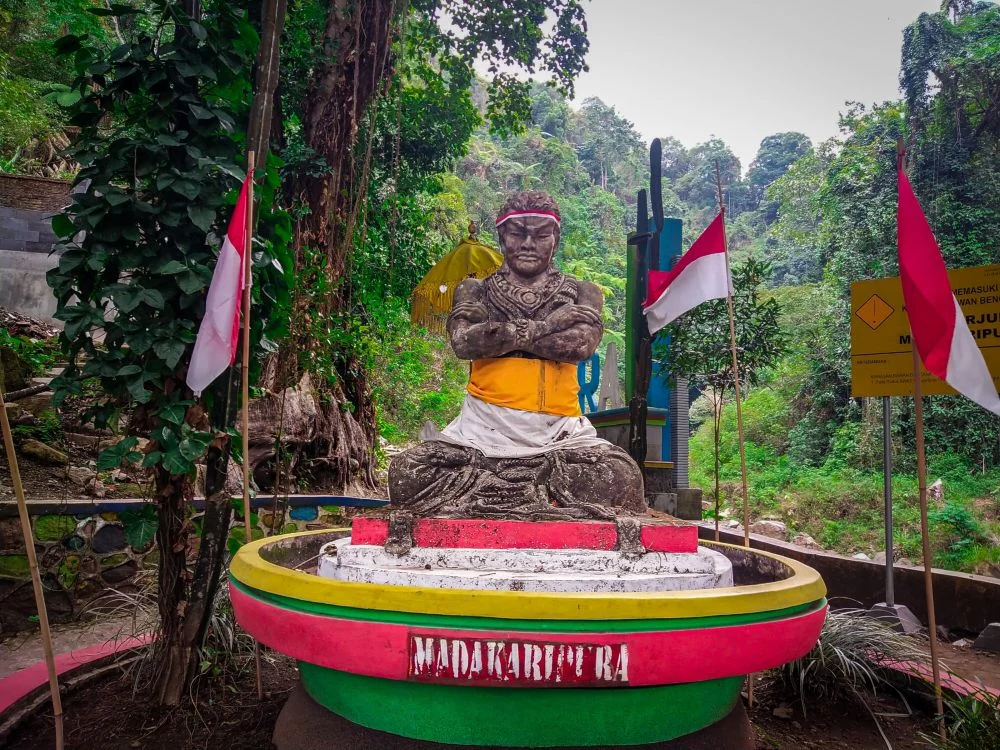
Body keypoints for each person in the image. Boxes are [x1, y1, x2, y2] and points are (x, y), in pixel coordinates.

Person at [389, 191, 644, 520]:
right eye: (517, 233)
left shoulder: (583, 292)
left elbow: (580, 346)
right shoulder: (475, 289)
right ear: (501, 236)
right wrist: (548, 326)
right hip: (480, 432)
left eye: (540, 235)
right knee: (407, 472)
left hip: (560, 434)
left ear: (556, 237)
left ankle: (507, 491)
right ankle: (531, 494)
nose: (528, 243)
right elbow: (464, 344)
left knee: (621, 477)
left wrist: (500, 335)